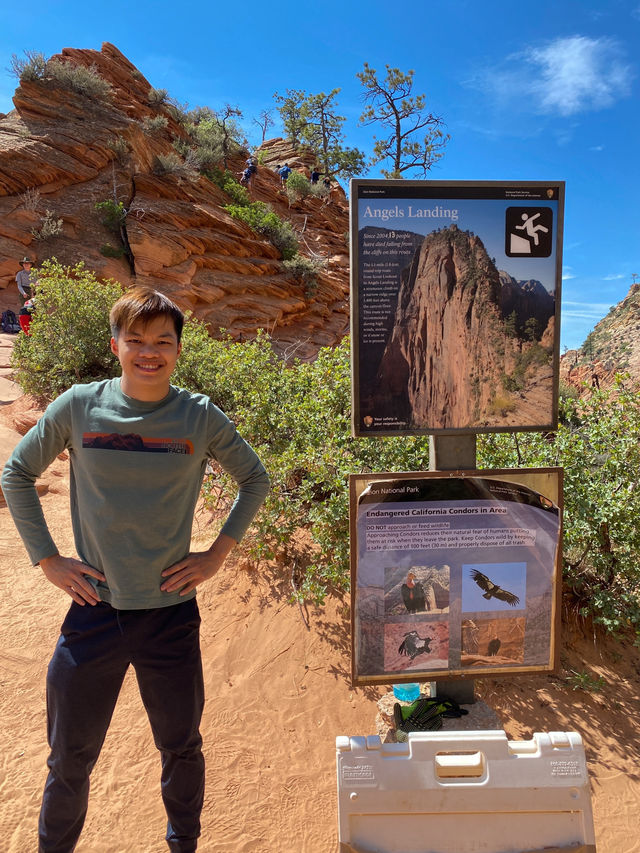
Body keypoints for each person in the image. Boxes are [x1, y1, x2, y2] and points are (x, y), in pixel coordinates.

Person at [2, 287, 270, 853]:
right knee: (69, 757)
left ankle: (183, 844)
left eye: (163, 342)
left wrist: (217, 553)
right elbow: (16, 474)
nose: (150, 352)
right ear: (116, 345)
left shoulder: (197, 416)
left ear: (178, 350)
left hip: (170, 616)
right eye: (137, 340)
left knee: (181, 747)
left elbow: (256, 479)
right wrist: (48, 559)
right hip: (93, 612)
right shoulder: (79, 405)